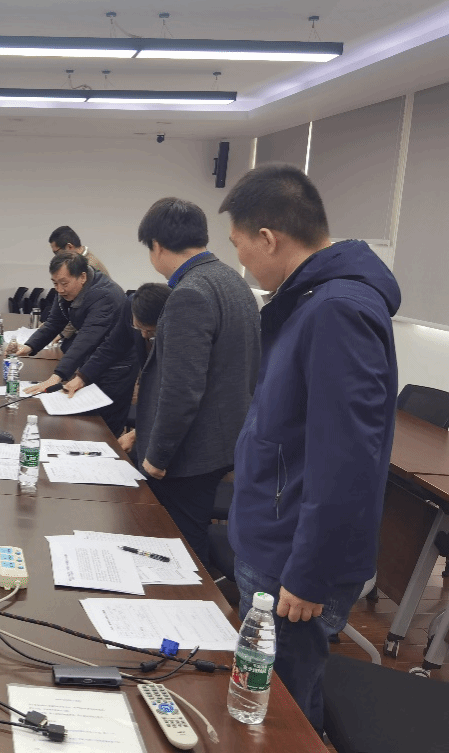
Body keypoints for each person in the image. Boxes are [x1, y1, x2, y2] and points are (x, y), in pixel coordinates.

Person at [219, 164, 400, 733]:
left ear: (268, 238)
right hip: (275, 535)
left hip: (291, 560)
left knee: (282, 715)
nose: (240, 259)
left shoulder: (336, 310)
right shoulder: (311, 300)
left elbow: (347, 459)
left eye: (240, 246)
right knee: (264, 699)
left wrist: (310, 572)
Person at [134, 197, 260, 568]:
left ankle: (190, 601)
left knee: (179, 547)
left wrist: (157, 456)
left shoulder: (189, 293)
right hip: (225, 439)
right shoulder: (233, 280)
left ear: (157, 246)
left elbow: (182, 390)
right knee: (190, 536)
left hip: (191, 452)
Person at [14, 252, 131, 430]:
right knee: (80, 423)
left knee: (103, 426)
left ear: (82, 277)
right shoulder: (67, 291)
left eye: (64, 283)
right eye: (55, 283)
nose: (60, 289)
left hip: (115, 366)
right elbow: (54, 322)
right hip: (92, 361)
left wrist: (57, 376)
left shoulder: (105, 295)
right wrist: (29, 346)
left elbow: (86, 338)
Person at [66, 282, 172, 441]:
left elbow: (172, 397)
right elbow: (113, 346)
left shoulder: (177, 330)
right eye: (138, 328)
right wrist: (82, 377)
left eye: (150, 331)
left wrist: (136, 434)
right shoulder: (131, 305)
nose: (143, 335)